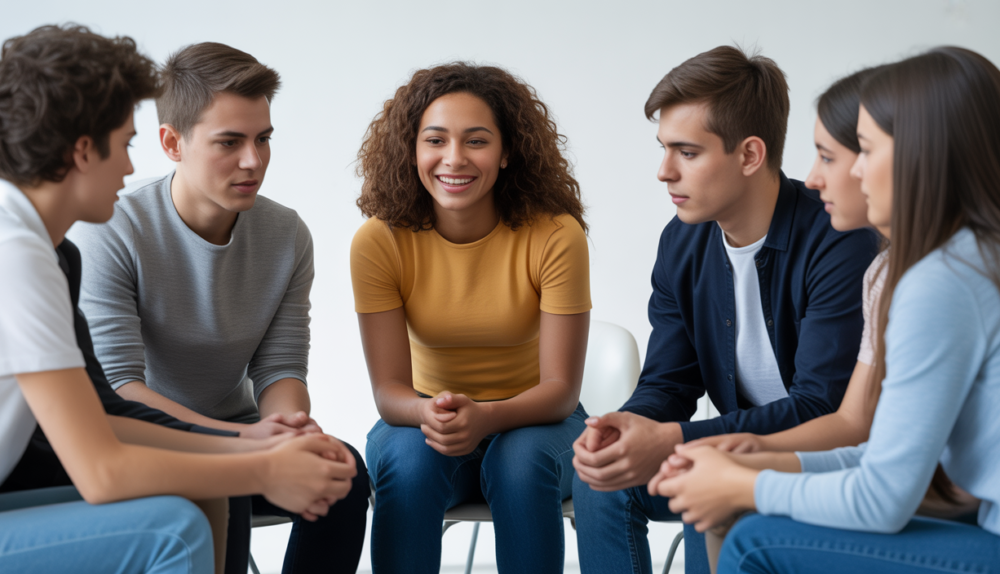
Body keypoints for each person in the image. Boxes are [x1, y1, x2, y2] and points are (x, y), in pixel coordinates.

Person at [0, 24, 355, 573]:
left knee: (219, 490)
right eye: (125, 145)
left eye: (263, 139)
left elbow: (104, 413)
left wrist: (254, 445)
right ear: (82, 149)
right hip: (40, 481)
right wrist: (257, 464)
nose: (127, 166)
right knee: (179, 522)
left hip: (53, 472)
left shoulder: (49, 253)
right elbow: (102, 461)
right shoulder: (20, 252)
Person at [650, 46, 1000, 573]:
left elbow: (883, 495)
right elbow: (873, 445)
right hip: (975, 516)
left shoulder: (944, 281)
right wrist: (758, 460)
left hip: (981, 530)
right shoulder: (945, 265)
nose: (818, 177)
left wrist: (746, 481)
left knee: (754, 540)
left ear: (918, 155)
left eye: (857, 150)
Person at [570, 45, 880, 574]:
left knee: (703, 469)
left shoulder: (838, 237)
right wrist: (627, 427)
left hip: (823, 460)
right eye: (664, 149)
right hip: (732, 447)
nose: (664, 172)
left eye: (687, 152)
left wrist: (677, 441)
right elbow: (669, 382)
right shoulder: (681, 243)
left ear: (750, 155)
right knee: (601, 480)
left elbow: (821, 408)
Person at [351, 62, 591, 574]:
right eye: (435, 140)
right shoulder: (379, 240)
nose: (453, 159)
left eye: (476, 141)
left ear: (507, 153)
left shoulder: (555, 234)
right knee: (410, 463)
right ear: (412, 150)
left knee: (519, 464)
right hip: (425, 419)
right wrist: (428, 414)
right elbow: (390, 391)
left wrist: (487, 417)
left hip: (539, 420)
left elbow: (561, 389)